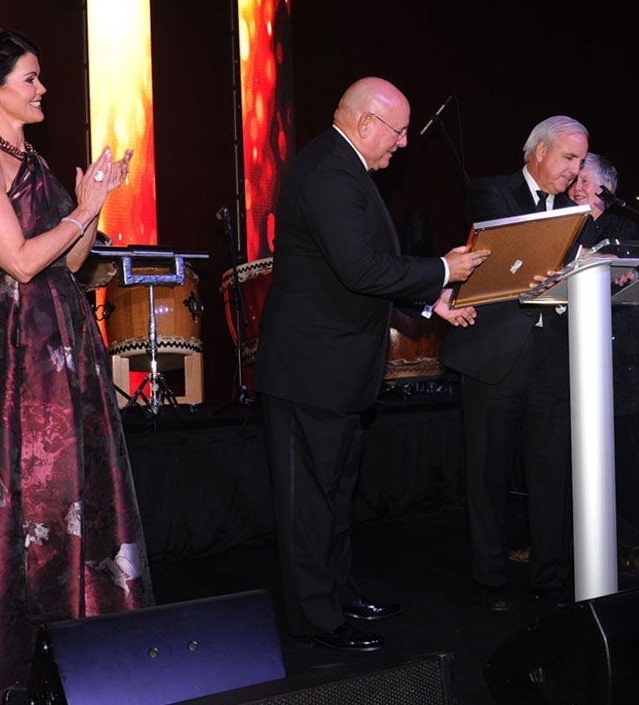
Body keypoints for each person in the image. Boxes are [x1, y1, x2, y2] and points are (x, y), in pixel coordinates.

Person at [0, 18, 153, 704]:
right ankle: (0, 672)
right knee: (17, 502)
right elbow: (17, 262)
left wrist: (92, 209)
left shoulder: (37, 160)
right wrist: (79, 215)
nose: (43, 88)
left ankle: (83, 654)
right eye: (30, 79)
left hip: (63, 344)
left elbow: (70, 265)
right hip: (15, 354)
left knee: (72, 492)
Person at [253, 76, 488, 652]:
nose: (404, 144)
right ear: (367, 125)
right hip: (312, 370)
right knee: (310, 500)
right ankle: (316, 617)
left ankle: (338, 593)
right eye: (400, 131)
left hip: (335, 368)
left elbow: (371, 262)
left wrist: (428, 298)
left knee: (334, 493)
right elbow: (361, 269)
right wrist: (442, 271)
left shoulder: (343, 165)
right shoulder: (332, 172)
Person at [440, 115, 594, 611]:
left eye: (581, 162)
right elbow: (516, 244)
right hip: (496, 357)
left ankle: (550, 578)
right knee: (488, 474)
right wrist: (576, 229)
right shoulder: (493, 192)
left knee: (551, 473)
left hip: (552, 359)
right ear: (539, 152)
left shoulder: (570, 211)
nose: (575, 171)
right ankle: (490, 579)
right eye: (569, 158)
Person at [568, 152, 639, 577]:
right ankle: (562, 540)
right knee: (568, 457)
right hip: (574, 357)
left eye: (583, 181)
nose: (575, 187)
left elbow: (623, 273)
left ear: (605, 188)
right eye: (572, 179)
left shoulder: (623, 227)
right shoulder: (561, 222)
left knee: (627, 461)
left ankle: (635, 543)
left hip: (623, 362)